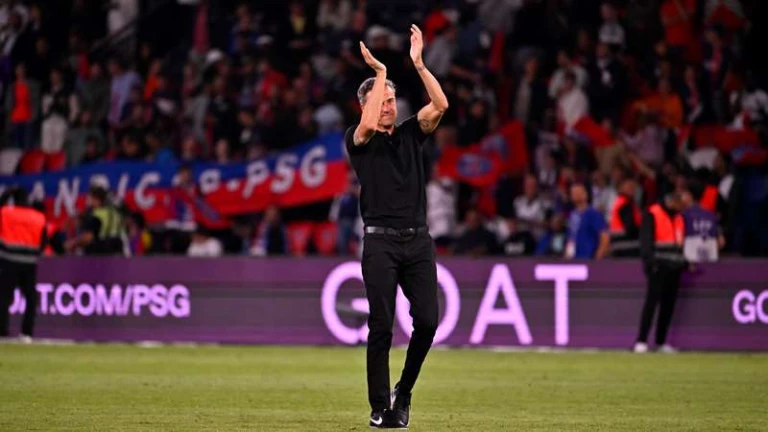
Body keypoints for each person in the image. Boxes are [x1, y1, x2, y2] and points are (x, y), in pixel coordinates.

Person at [345, 24, 448, 429]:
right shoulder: (359, 139)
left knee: (428, 322)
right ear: (367, 105)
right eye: (382, 100)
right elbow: (368, 125)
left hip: (417, 241)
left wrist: (419, 65)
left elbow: (440, 104)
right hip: (380, 244)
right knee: (381, 326)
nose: (390, 105)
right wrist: (382, 72)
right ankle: (379, 407)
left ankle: (403, 393)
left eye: (391, 99)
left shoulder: (410, 134)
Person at [634, 192, 687, 354]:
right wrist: (650, 263)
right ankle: (641, 340)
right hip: (658, 267)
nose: (681, 206)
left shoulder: (679, 218)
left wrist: (684, 263)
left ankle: (661, 342)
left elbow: (679, 244)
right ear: (670, 201)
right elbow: (646, 241)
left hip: (674, 267)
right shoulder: (653, 214)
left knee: (668, 305)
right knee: (651, 303)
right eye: (678, 202)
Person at [0, 187, 47, 342]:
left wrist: (6, 194)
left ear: (14, 200)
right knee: (31, 298)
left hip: (8, 260)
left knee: (4, 296)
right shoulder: (38, 217)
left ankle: (2, 331)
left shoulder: (6, 212)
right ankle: (27, 333)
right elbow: (43, 241)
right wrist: (34, 254)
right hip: (29, 263)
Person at [64, 186, 127, 256]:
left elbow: (88, 238)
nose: (89, 202)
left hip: (100, 256)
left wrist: (72, 244)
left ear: (97, 200)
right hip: (119, 254)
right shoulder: (116, 213)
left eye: (91, 198)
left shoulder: (96, 215)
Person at [681, 182, 724, 263]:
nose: (681, 197)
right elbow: (721, 242)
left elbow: (679, 241)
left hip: (691, 262)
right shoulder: (711, 215)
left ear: (689, 196)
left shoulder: (683, 216)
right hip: (711, 261)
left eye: (683, 194)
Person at [566, 183, 610, 259]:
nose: (576, 195)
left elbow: (604, 236)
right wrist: (568, 257)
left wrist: (598, 257)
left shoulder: (593, 213)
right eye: (573, 193)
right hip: (575, 259)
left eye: (579, 192)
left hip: (589, 258)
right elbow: (571, 238)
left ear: (585, 194)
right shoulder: (572, 215)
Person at [608, 178, 641, 257]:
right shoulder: (625, 204)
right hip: (627, 247)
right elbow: (630, 227)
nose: (632, 189)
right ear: (621, 188)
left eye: (633, 187)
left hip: (619, 246)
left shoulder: (619, 202)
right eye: (629, 186)